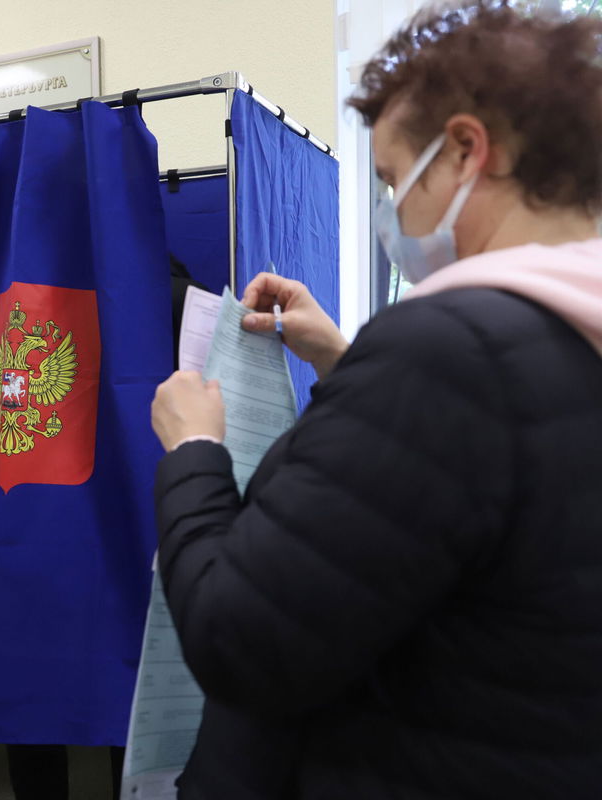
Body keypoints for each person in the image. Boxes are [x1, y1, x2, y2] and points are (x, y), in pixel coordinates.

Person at [150, 2, 602, 798]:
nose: (393, 212)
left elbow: (241, 640)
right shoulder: (567, 333)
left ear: (465, 150)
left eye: (394, 178)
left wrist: (195, 453)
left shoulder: (447, 354)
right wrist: (345, 360)